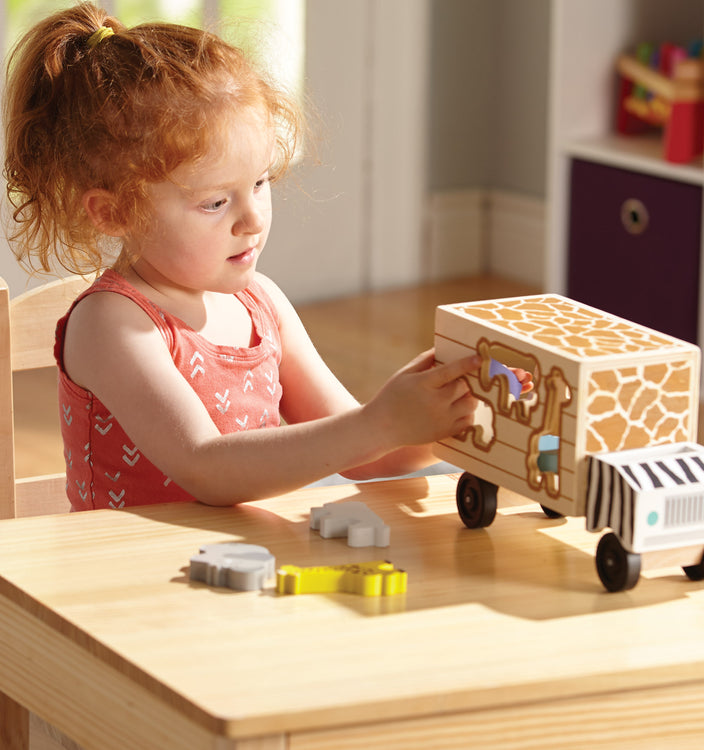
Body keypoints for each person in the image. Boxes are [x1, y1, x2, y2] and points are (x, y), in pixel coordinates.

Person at [3, 3, 531, 510]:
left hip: (244, 572)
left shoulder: (263, 304)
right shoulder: (111, 324)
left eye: (260, 182)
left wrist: (444, 417)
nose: (252, 218)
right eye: (215, 202)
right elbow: (206, 467)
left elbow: (367, 457)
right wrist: (382, 423)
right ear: (114, 213)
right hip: (126, 588)